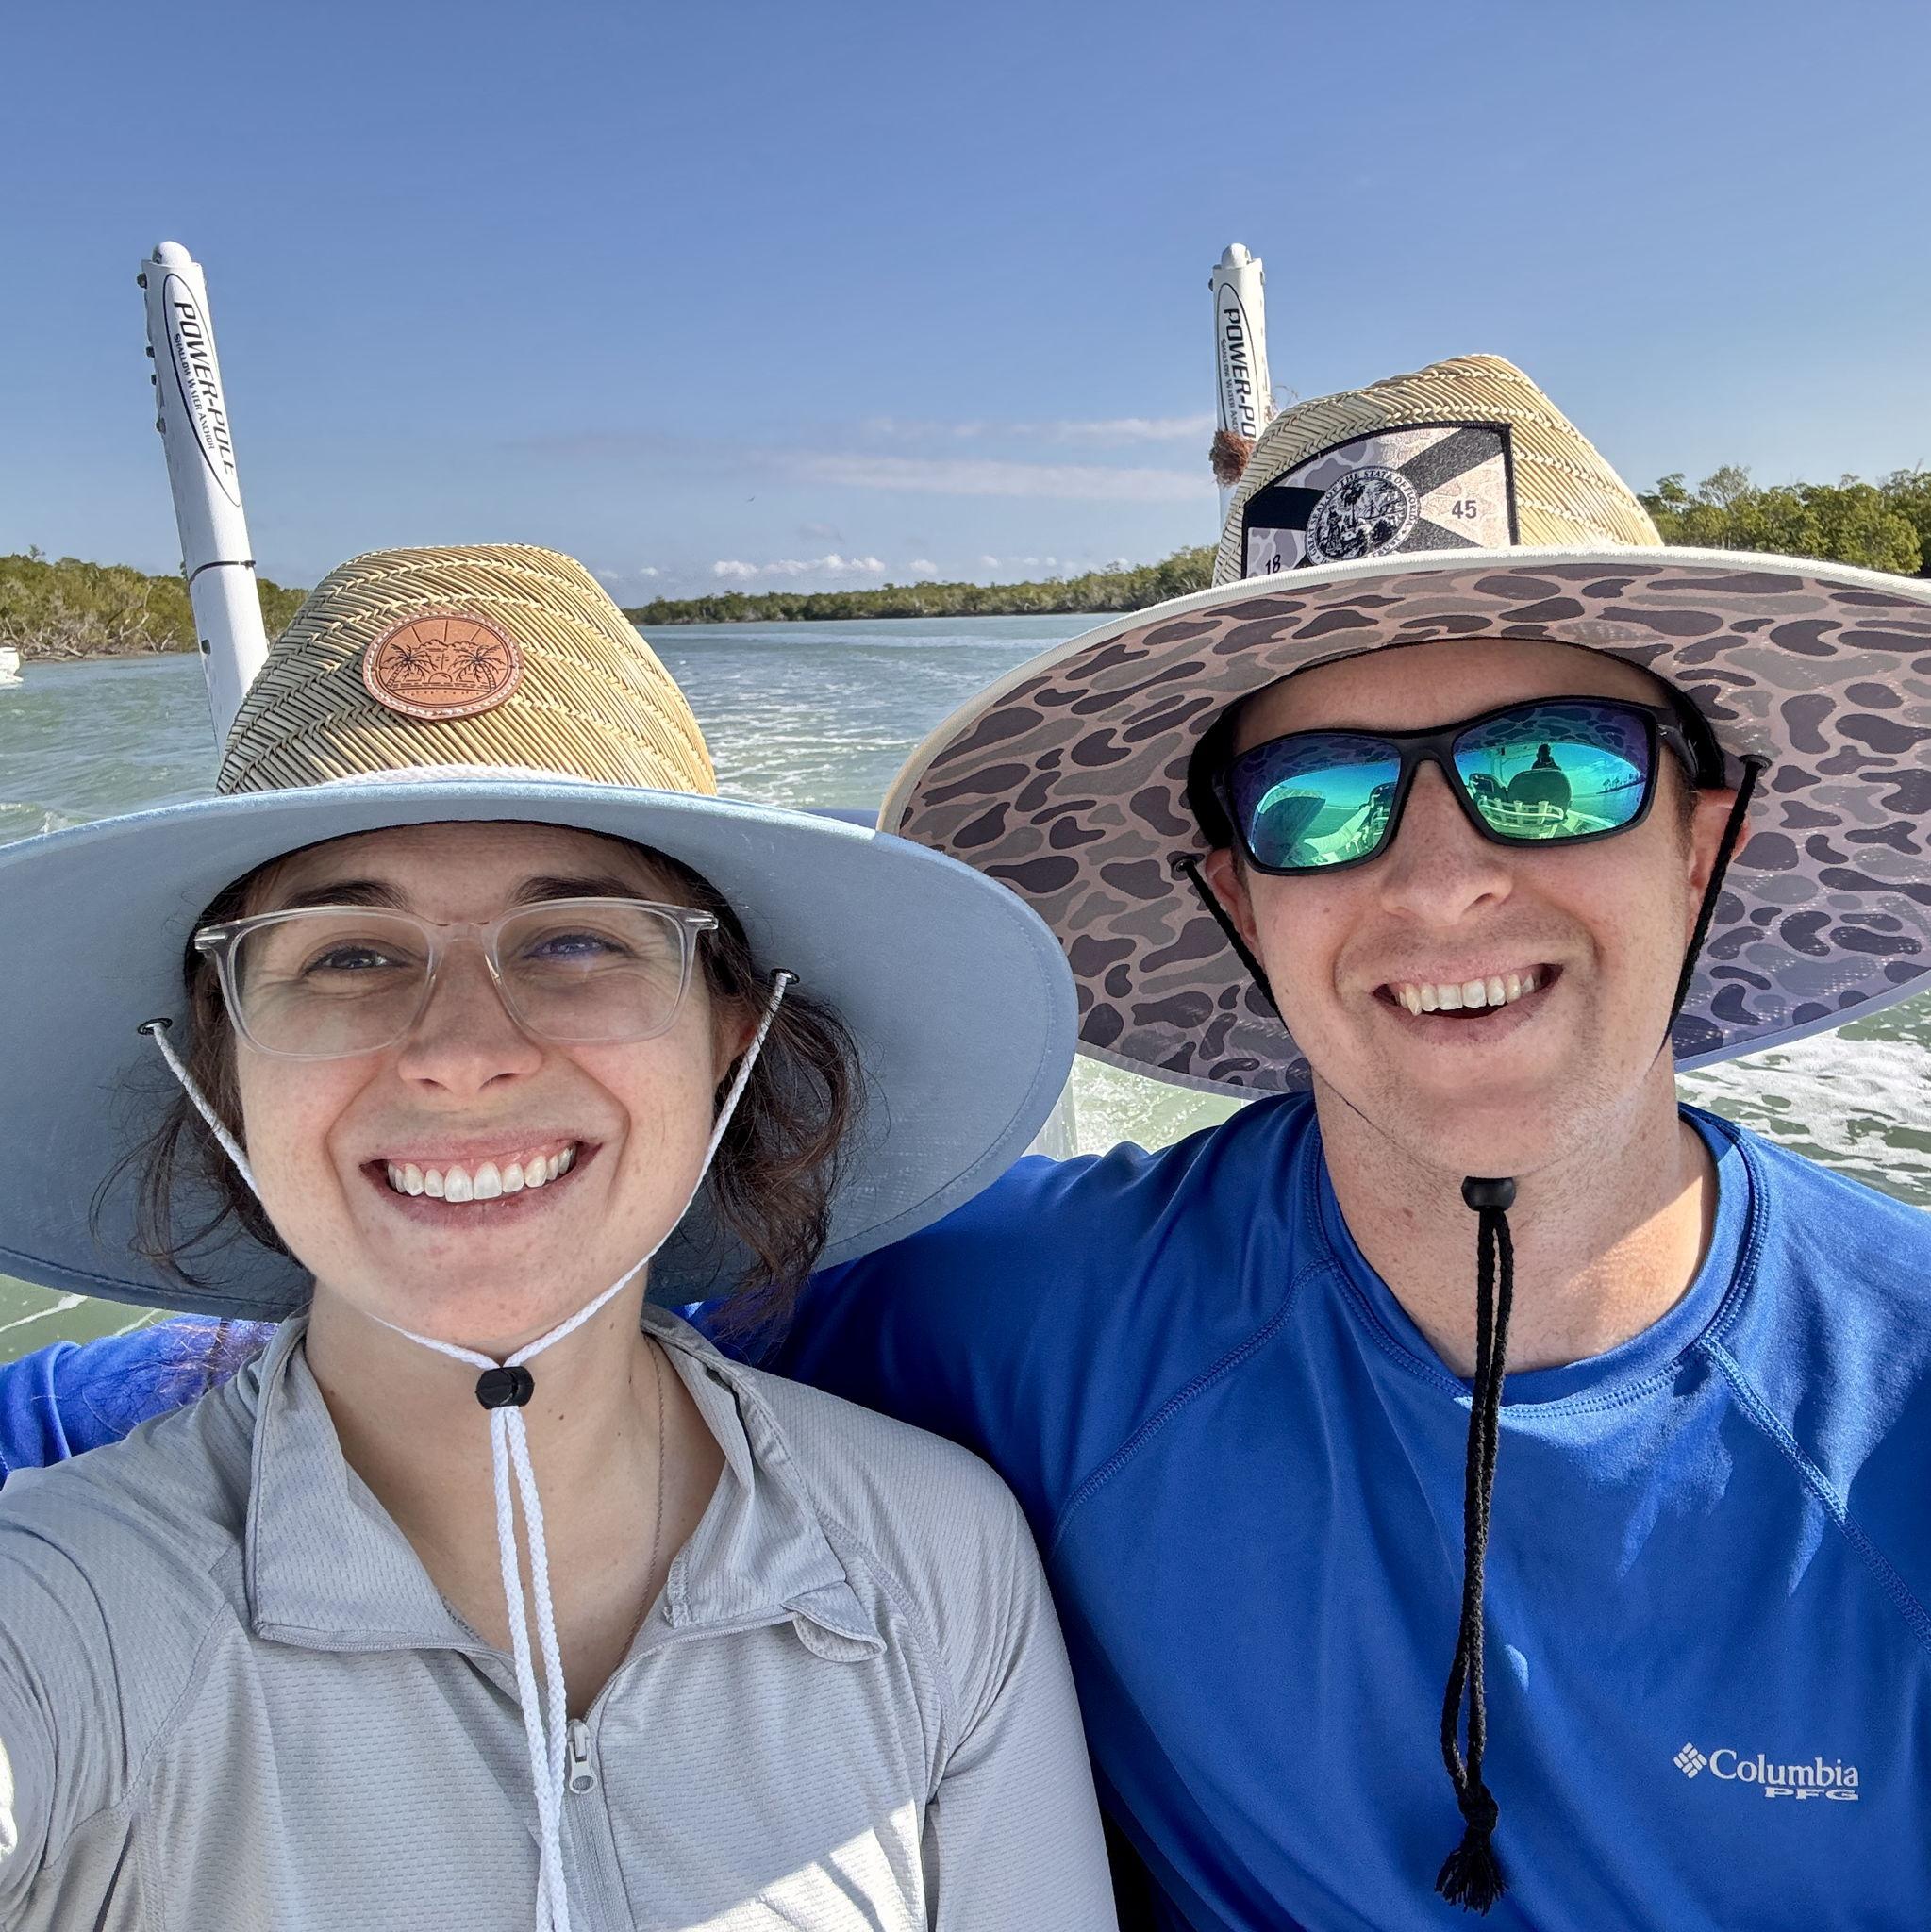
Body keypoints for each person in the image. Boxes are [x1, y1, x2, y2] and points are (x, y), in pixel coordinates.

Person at [12, 359, 1931, 1928]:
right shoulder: (1016, 1310)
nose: (1441, 877)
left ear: (1700, 834)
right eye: (1321, 803)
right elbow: (473, 1318)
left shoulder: (1903, 1414)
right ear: (1230, 892)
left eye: (1553, 771)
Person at [0, 546, 1117, 1931]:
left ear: (730, 1030)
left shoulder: (936, 1562)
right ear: (222, 1064)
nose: (463, 1052)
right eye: (346, 953)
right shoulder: (62, 1621)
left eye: (577, 943)